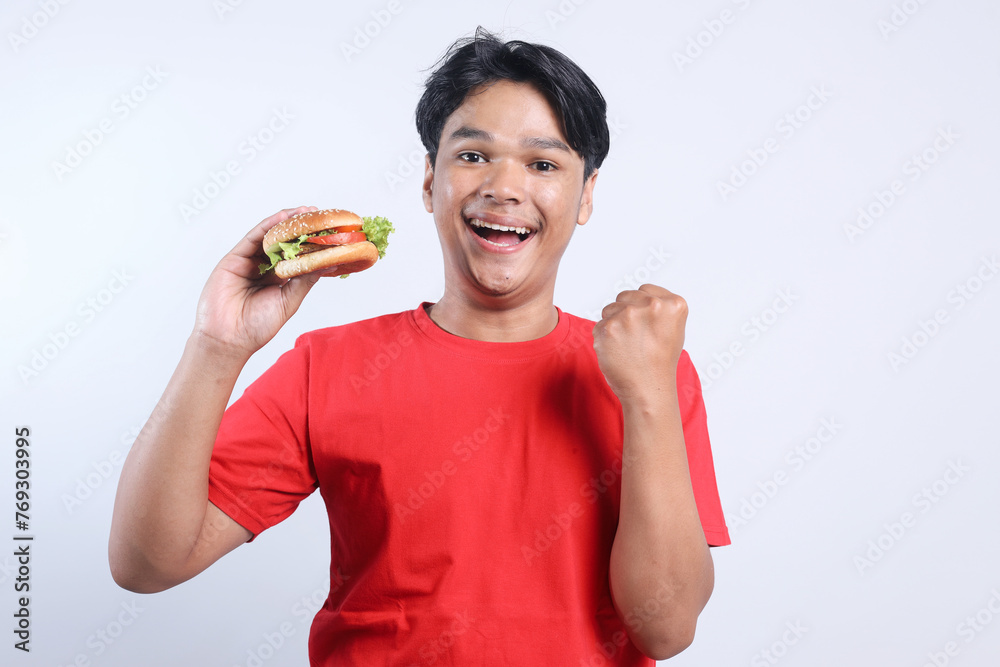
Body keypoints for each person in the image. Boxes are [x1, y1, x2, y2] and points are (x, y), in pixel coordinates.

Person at [109, 27, 730, 665]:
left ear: (586, 196)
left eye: (543, 164)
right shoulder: (328, 367)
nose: (504, 187)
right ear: (430, 181)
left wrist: (647, 394)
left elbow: (668, 627)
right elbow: (147, 562)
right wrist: (217, 345)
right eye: (473, 156)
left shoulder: (650, 370)